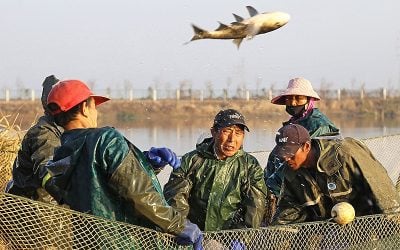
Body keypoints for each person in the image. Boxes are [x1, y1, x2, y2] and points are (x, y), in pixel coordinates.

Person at [40, 79, 202, 248]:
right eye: (94, 106)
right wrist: (178, 224)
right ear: (84, 108)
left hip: (87, 243)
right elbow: (139, 193)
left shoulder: (61, 153)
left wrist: (147, 163)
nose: (96, 113)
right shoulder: (105, 139)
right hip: (123, 243)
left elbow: (98, 181)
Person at [271, 124, 400, 225]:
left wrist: (394, 223)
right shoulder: (289, 173)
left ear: (306, 146)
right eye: (283, 154)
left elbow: (383, 192)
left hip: (370, 225)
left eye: (290, 153)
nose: (286, 159)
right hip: (334, 231)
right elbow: (286, 215)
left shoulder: (346, 153)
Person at [163, 109, 267, 232]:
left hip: (231, 234)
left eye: (238, 133)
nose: (232, 139)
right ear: (214, 132)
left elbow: (255, 206)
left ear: (243, 136)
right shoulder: (191, 160)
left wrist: (244, 237)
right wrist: (183, 228)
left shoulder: (250, 165)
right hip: (194, 232)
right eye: (226, 131)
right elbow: (176, 198)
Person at [265, 77, 340, 198]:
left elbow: (300, 159)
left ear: (309, 100)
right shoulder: (294, 123)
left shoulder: (319, 125)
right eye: (289, 98)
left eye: (298, 98)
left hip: (311, 186)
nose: (293, 103)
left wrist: (272, 187)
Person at [6, 75, 63, 203]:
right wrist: (71, 200)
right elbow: (47, 174)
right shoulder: (44, 134)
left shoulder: (56, 129)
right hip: (31, 212)